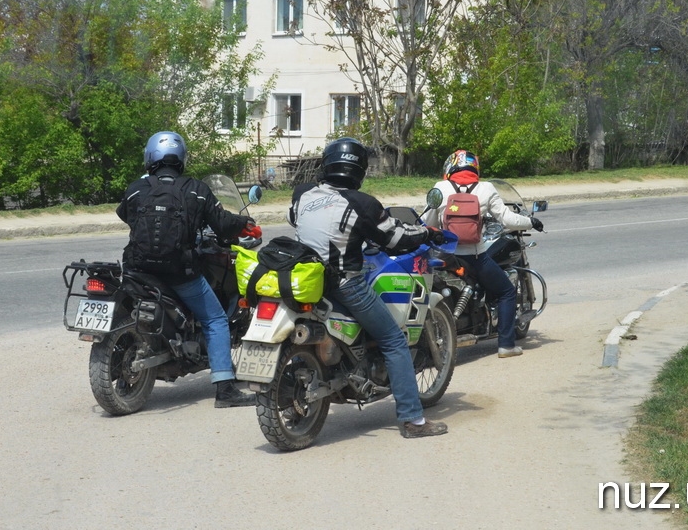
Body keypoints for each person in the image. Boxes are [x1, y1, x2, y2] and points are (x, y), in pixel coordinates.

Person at [288, 137, 449, 439]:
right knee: (392, 340)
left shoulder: (303, 193)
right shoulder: (362, 203)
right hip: (343, 283)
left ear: (327, 164)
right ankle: (414, 421)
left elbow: (293, 218)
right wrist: (428, 233)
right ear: (359, 169)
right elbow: (395, 239)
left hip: (306, 279)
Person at [117, 131, 262, 408]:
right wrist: (244, 224)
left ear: (150, 157)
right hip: (178, 273)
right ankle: (225, 390)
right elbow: (221, 222)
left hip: (138, 269)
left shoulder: (136, 188)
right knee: (215, 319)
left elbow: (125, 215)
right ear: (181, 157)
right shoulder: (196, 189)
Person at [422, 149, 544, 358]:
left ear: (450, 167)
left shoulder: (440, 188)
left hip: (445, 255)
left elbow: (427, 222)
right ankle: (506, 345)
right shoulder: (485, 188)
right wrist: (531, 221)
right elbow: (507, 219)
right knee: (506, 291)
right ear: (474, 167)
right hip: (475, 257)